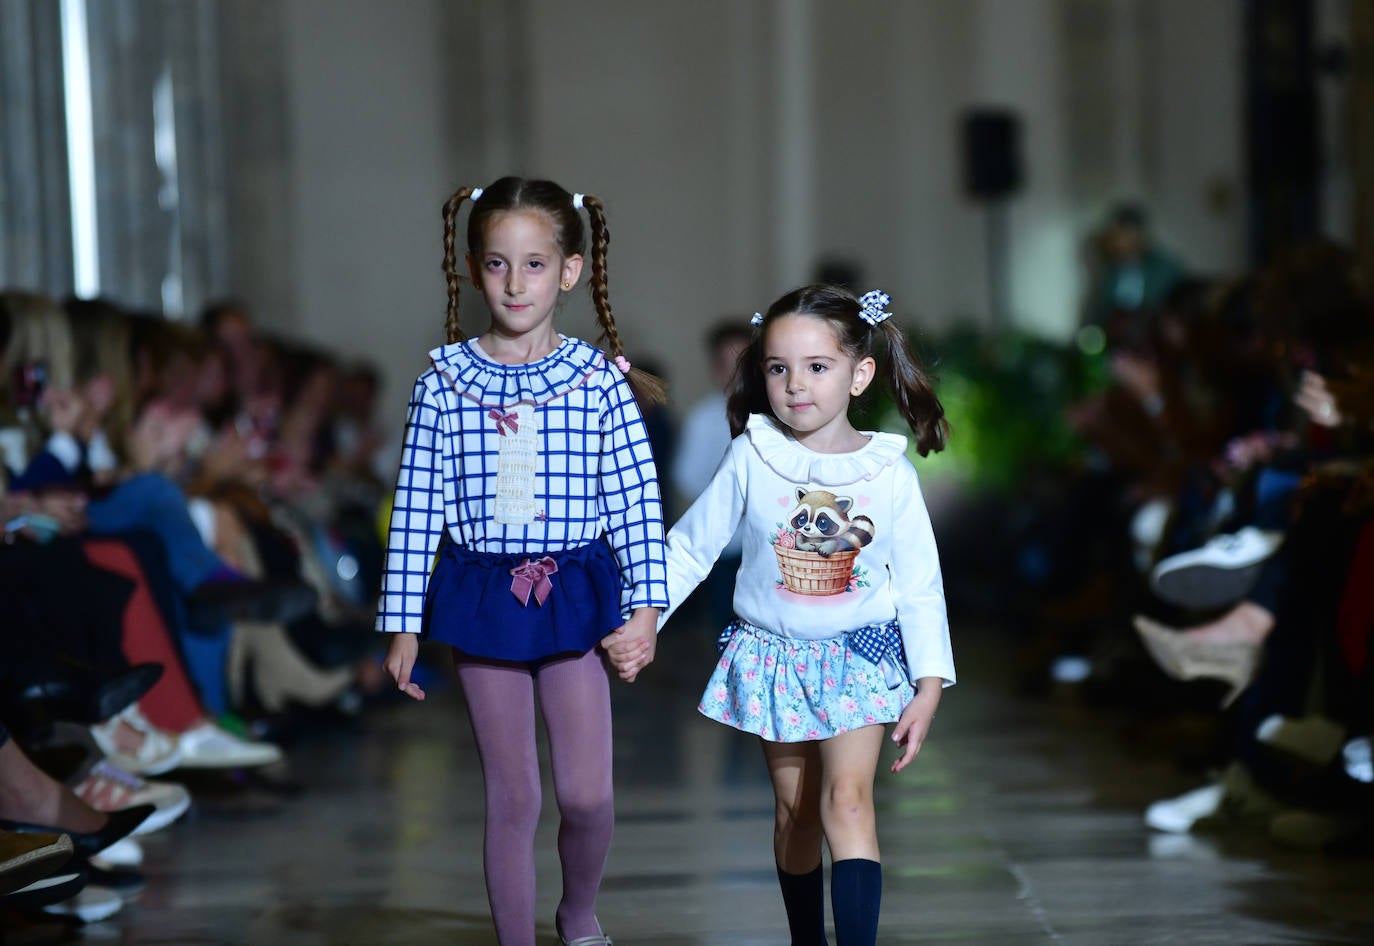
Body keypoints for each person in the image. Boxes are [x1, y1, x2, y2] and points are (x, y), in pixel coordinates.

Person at [607, 284, 956, 946]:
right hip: (774, 656)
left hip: (860, 655)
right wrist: (645, 615)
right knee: (796, 812)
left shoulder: (888, 474)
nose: (796, 385)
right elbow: (691, 548)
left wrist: (930, 681)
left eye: (817, 367)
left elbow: (919, 584)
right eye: (777, 368)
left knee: (847, 802)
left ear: (860, 374)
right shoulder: (753, 454)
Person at [378, 176, 669, 946]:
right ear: (474, 269)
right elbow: (416, 511)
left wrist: (645, 611)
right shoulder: (442, 384)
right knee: (513, 797)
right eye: (499, 263)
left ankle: (578, 913)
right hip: (481, 595)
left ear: (569, 270)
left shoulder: (599, 382)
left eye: (535, 264)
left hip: (573, 590)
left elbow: (638, 504)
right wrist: (403, 624)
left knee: (585, 795)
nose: (516, 282)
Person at [672, 321, 752, 626]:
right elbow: (687, 477)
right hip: (725, 547)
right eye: (728, 364)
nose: (736, 373)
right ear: (716, 369)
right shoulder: (703, 419)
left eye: (744, 362)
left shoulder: (781, 415)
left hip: (770, 545)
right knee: (726, 627)